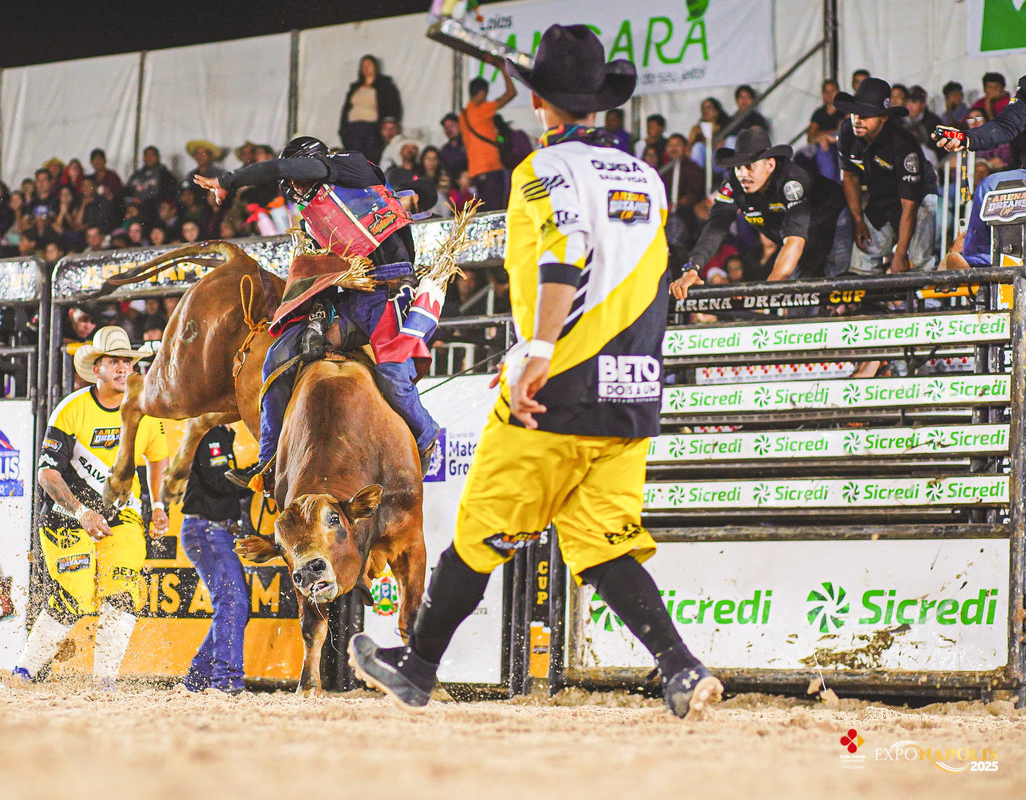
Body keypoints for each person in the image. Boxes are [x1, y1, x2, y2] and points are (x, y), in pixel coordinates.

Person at [347, 24, 722, 720]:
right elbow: (642, 274)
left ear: (538, 101)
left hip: (559, 387)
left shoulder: (543, 171)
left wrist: (539, 353)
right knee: (602, 541)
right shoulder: (646, 176)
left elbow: (565, 254)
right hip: (632, 389)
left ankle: (418, 667)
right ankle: (681, 667)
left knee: (479, 531)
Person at [195, 136, 442, 489]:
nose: (297, 187)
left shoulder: (352, 167)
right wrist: (317, 316)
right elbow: (321, 276)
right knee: (277, 358)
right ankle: (269, 460)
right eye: (293, 184)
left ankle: (426, 434)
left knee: (392, 374)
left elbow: (285, 166)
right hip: (352, 300)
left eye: (299, 178)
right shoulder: (314, 220)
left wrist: (230, 180)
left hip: (392, 291)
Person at [9, 326, 169, 689]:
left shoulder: (145, 409)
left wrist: (159, 504)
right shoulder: (72, 409)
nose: (123, 368)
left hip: (122, 515)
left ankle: (105, 682)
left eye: (127, 361)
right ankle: (23, 674)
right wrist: (82, 512)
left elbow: (157, 456)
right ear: (95, 368)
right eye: (114, 361)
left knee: (123, 593)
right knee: (73, 596)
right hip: (66, 517)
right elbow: (47, 474)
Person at [672, 128, 849, 299]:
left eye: (749, 166)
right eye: (737, 167)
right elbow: (715, 228)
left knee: (837, 289)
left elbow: (795, 241)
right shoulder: (733, 184)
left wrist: (764, 293)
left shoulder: (792, 181)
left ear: (770, 165)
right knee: (799, 299)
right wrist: (692, 269)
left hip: (834, 223)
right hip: (798, 239)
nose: (742, 174)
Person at [179, 424, 254, 693]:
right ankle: (226, 681)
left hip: (210, 530)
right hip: (208, 529)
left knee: (236, 605)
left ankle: (198, 680)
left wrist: (256, 478)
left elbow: (224, 482)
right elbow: (218, 480)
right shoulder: (212, 433)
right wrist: (257, 476)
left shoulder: (221, 435)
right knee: (233, 601)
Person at [836, 77, 938, 273]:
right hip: (880, 199)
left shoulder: (903, 143)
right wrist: (858, 220)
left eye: (866, 115)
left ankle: (925, 291)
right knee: (862, 260)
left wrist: (900, 254)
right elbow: (849, 176)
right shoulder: (847, 132)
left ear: (883, 117)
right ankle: (866, 294)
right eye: (855, 113)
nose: (858, 120)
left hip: (918, 200)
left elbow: (909, 206)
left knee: (918, 261)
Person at [936, 74, 1026, 167]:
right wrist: (967, 137)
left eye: (996, 87)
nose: (993, 90)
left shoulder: (1006, 101)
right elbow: (1005, 125)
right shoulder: (1022, 94)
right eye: (989, 87)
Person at [460, 72, 517, 211]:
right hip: (490, 167)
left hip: (476, 171)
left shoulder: (464, 114)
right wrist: (503, 69)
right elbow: (511, 93)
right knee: (495, 209)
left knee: (487, 208)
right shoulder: (483, 109)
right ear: (482, 92)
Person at [339, 55, 403, 164]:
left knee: (371, 159)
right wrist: (343, 130)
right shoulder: (355, 87)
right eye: (363, 66)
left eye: (369, 65)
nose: (366, 68)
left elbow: (393, 106)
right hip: (353, 127)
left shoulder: (384, 85)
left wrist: (388, 126)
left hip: (372, 127)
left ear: (375, 67)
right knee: (355, 160)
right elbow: (346, 109)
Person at [438, 112, 467, 180]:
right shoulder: (445, 150)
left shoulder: (468, 145)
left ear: (459, 125)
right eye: (446, 127)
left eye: (451, 126)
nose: (449, 130)